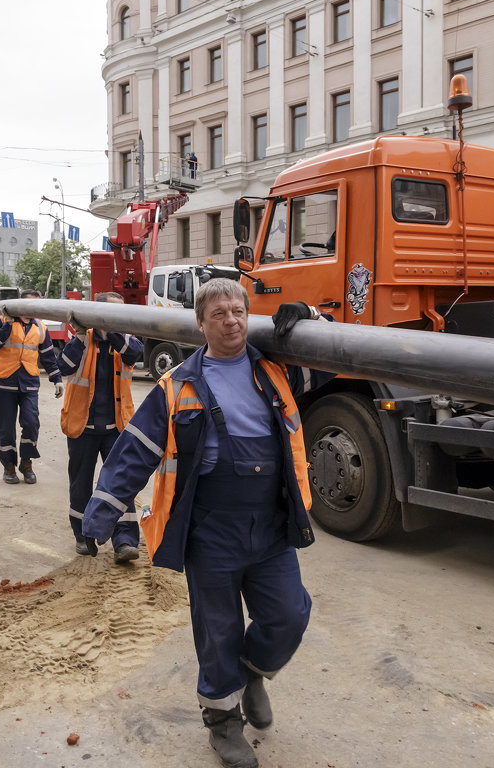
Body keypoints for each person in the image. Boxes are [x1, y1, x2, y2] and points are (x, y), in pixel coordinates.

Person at [80, 279, 323, 768]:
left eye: (238, 311)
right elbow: (135, 453)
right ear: (200, 323)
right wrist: (103, 508)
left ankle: (253, 670)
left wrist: (310, 321)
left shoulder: (276, 372)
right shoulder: (177, 386)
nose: (231, 321)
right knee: (217, 629)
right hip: (210, 526)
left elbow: (335, 365)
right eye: (219, 314)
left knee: (289, 615)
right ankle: (224, 723)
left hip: (272, 520)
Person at [58, 292, 145, 564]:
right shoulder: (82, 341)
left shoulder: (126, 341)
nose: (117, 318)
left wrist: (114, 333)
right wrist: (83, 336)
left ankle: (125, 541)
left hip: (116, 427)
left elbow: (135, 353)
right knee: (81, 484)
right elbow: (64, 365)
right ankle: (83, 536)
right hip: (82, 426)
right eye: (111, 313)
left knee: (120, 484)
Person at [0, 290, 63, 484]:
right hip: (5, 382)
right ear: (20, 304)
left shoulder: (40, 327)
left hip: (29, 382)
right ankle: (9, 467)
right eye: (30, 305)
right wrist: (7, 324)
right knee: (6, 428)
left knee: (31, 423)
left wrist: (57, 379)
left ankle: (26, 462)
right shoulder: (2, 319)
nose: (34, 309)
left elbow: (48, 356)